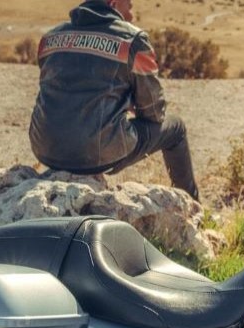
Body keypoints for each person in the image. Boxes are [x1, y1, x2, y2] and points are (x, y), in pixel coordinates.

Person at [29, 0, 200, 200]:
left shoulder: (50, 37)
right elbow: (154, 111)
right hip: (97, 155)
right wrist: (129, 102)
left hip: (44, 148)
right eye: (129, 2)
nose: (132, 8)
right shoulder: (132, 41)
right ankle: (193, 207)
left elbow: (64, 93)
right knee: (176, 128)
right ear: (113, 2)